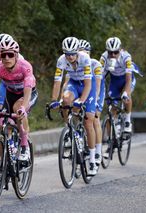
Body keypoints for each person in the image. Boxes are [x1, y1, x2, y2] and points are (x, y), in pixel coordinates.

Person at [49, 37, 98, 176]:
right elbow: (57, 82)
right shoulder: (61, 60)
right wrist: (54, 99)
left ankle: (93, 160)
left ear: (77, 52)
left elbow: (88, 85)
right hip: (74, 84)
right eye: (67, 54)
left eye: (72, 53)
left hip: (88, 85)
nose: (70, 57)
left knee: (89, 121)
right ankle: (70, 128)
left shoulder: (85, 59)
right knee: (65, 100)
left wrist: (81, 100)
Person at [0, 39, 38, 161]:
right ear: (0, 56)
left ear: (17, 55)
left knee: (18, 110)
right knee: (1, 121)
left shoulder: (25, 66)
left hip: (27, 94)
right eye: (3, 55)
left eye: (11, 54)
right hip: (10, 94)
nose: (7, 58)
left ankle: (24, 147)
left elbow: (28, 89)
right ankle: (6, 153)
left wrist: (23, 108)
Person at [100, 37, 135, 133]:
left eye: (115, 52)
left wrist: (126, 93)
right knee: (112, 106)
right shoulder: (103, 57)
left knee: (126, 98)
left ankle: (127, 121)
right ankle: (114, 130)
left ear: (120, 49)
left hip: (126, 79)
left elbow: (128, 79)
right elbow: (99, 77)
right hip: (114, 81)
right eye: (110, 52)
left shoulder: (126, 57)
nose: (113, 55)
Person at [78, 39, 103, 166]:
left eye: (85, 53)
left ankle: (98, 151)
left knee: (94, 118)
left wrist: (94, 102)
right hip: (82, 88)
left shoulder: (95, 64)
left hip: (96, 89)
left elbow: (97, 86)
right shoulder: (75, 63)